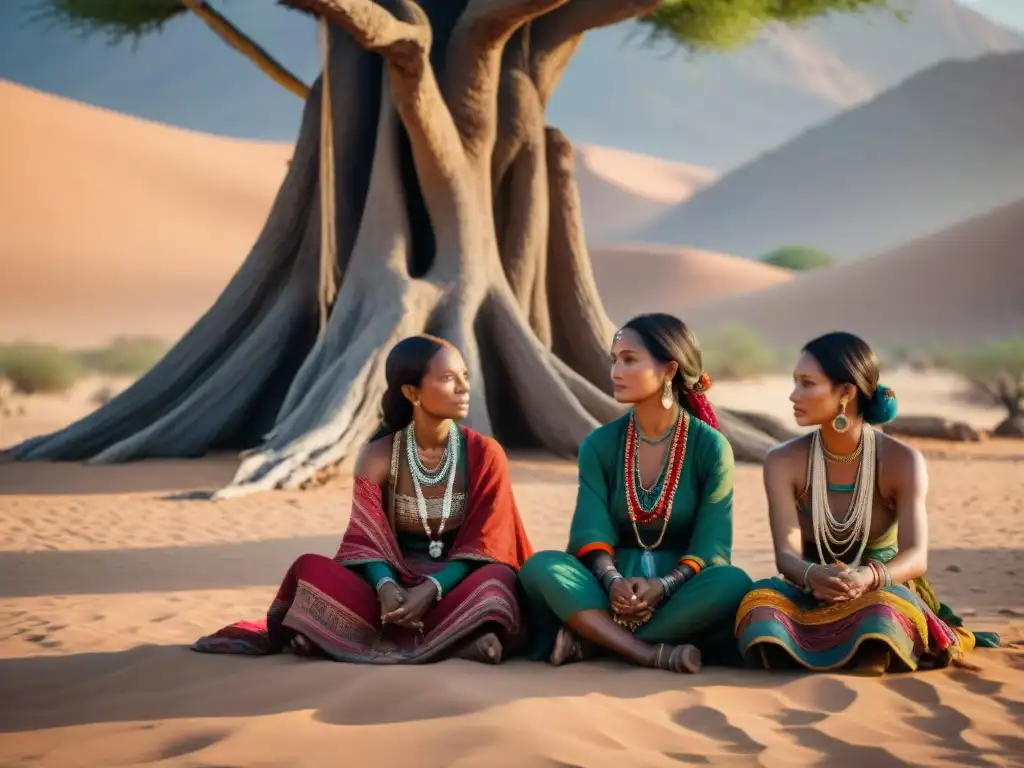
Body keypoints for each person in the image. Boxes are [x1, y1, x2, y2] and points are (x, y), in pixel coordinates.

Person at [193, 335, 534, 664]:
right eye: (448, 378)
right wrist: (385, 585)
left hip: (456, 582)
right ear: (412, 392)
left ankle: (337, 638)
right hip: (392, 584)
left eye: (464, 376)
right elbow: (365, 539)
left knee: (497, 583)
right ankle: (458, 640)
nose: (463, 387)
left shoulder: (484, 453)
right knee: (309, 569)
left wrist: (432, 587)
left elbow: (490, 543)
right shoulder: (377, 456)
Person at [735, 331, 1000, 673]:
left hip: (882, 586)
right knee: (757, 606)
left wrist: (867, 579)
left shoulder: (902, 461)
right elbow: (786, 555)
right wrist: (813, 575)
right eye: (795, 382)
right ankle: (847, 649)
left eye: (807, 383)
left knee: (882, 614)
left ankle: (871, 647)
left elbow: (916, 557)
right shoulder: (782, 460)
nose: (794, 395)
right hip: (810, 587)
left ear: (845, 392)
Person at [518, 314, 753, 674]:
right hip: (607, 584)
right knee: (542, 567)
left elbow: (712, 546)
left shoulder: (710, 447)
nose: (615, 371)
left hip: (680, 589)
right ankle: (646, 652)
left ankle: (593, 639)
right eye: (614, 360)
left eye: (629, 360)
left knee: (732, 583)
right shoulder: (600, 444)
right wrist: (612, 582)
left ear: (669, 369)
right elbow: (590, 529)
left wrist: (664, 584)